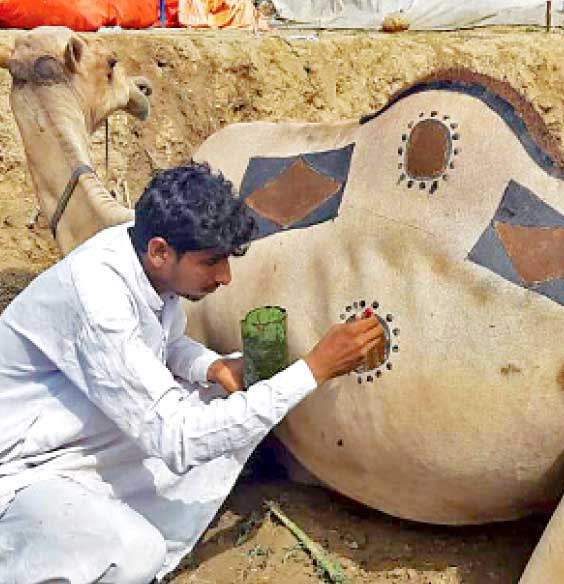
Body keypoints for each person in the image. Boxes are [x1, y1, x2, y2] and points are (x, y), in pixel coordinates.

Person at [0, 162, 384, 583]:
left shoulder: (138, 254)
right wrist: (315, 369)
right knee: (134, 554)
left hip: (82, 432)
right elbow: (177, 439)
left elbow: (164, 342)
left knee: (240, 390)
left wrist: (210, 365)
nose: (225, 277)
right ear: (162, 251)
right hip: (22, 466)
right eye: (212, 262)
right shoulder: (98, 298)